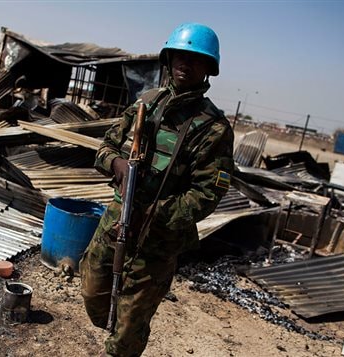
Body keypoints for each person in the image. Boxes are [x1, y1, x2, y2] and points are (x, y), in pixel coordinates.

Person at [80, 22, 235, 357]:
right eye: (180, 54)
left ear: (208, 68)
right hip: (115, 223)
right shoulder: (144, 105)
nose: (185, 63)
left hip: (157, 242)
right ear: (169, 58)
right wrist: (116, 165)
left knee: (128, 330)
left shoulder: (213, 128)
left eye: (196, 58)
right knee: (93, 291)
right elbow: (105, 148)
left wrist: (154, 212)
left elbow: (207, 193)